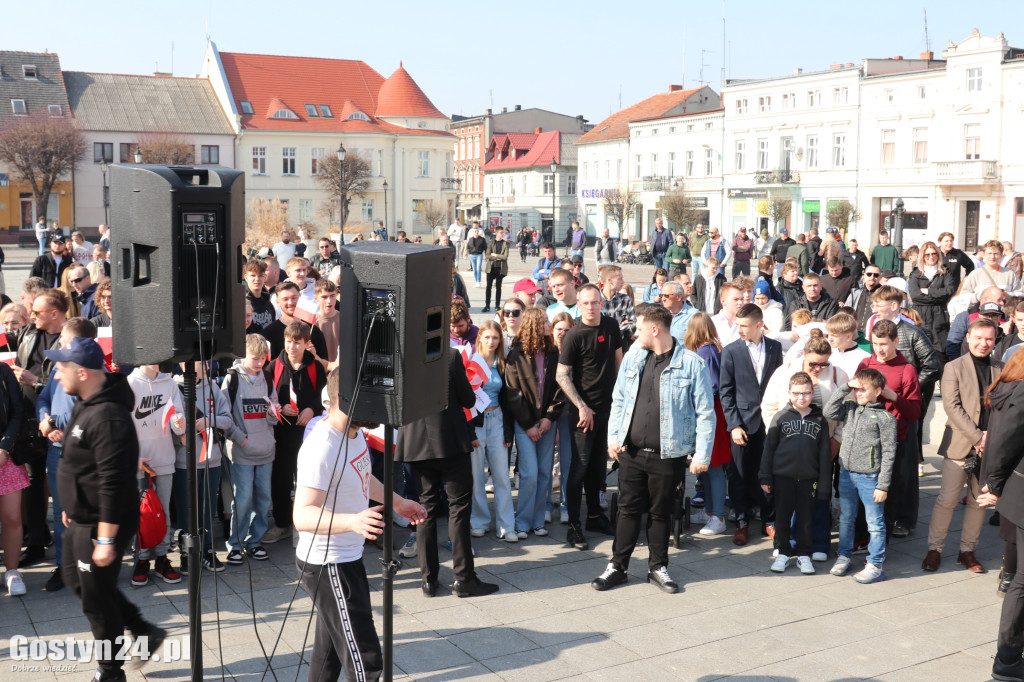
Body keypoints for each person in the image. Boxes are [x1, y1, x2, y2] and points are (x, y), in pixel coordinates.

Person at [294, 367, 426, 681]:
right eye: (371, 399)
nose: (378, 407)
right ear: (346, 399)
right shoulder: (321, 446)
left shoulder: (353, 434)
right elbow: (301, 515)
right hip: (329, 563)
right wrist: (351, 521)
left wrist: (399, 503)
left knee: (327, 656)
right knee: (366, 662)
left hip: (345, 558)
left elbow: (362, 474)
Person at [49, 337, 167, 679]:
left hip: (102, 522)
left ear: (82, 372)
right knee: (77, 581)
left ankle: (110, 671)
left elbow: (113, 482)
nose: (56, 375)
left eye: (61, 368)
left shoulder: (109, 416)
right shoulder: (86, 403)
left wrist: (105, 539)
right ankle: (141, 627)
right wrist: (71, 502)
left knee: (96, 601)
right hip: (81, 517)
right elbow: (80, 463)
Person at [593, 303, 714, 594]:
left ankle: (658, 567)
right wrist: (613, 438)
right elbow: (619, 399)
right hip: (631, 452)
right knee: (627, 510)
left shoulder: (692, 364)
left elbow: (705, 413)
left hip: (668, 455)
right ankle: (617, 566)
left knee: (661, 512)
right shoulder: (635, 356)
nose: (635, 333)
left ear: (654, 329)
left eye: (639, 327)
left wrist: (701, 455)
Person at [397, 349, 497, 597]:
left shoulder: (402, 353)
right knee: (458, 510)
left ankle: (428, 580)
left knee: (425, 510)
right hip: (450, 441)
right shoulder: (450, 356)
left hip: (416, 443)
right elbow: (468, 400)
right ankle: (463, 578)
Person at [922, 317, 1000, 574]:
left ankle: (967, 550)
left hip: (990, 447)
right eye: (978, 338)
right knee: (947, 499)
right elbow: (951, 407)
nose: (983, 343)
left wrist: (991, 437)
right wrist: (977, 437)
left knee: (979, 501)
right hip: (960, 446)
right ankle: (935, 549)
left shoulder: (1001, 369)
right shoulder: (953, 367)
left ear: (994, 340)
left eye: (989, 338)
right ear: (968, 338)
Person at [556, 284, 623, 550]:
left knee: (598, 468)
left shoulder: (611, 325)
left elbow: (619, 361)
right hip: (583, 412)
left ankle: (595, 516)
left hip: (608, 409)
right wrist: (582, 406)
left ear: (602, 303)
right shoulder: (574, 335)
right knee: (579, 468)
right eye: (586, 303)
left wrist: (621, 400)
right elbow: (562, 375)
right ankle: (574, 525)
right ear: (579, 305)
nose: (591, 307)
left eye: (595, 302)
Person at [35, 316, 95, 592]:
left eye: (64, 339)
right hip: (57, 453)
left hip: (83, 457)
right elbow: (44, 398)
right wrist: (45, 419)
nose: (59, 341)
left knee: (84, 512)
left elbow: (86, 415)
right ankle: (64, 565)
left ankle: (88, 566)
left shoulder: (90, 371)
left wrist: (53, 422)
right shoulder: (60, 368)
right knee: (61, 512)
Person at [824, 368, 897, 584]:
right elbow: (829, 412)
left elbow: (890, 453)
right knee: (846, 517)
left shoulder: (885, 419)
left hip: (870, 478)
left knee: (874, 521)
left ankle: (875, 563)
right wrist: (846, 387)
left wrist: (883, 485)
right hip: (846, 473)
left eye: (864, 389)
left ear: (878, 391)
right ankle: (844, 555)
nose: (859, 393)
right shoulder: (850, 408)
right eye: (857, 389)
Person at [720, 303, 783, 546]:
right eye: (738, 325)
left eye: (744, 326)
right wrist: (734, 425)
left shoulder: (775, 347)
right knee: (739, 474)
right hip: (742, 424)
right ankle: (742, 523)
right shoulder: (731, 350)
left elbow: (777, 383)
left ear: (759, 325)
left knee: (767, 472)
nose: (740, 330)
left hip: (768, 422)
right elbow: (726, 392)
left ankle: (769, 520)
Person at [759, 371, 831, 574]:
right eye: (797, 393)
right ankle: (782, 552)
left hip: (809, 480)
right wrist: (765, 476)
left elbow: (825, 457)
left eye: (806, 393)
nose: (802, 397)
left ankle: (804, 555)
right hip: (783, 479)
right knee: (782, 518)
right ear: (789, 393)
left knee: (806, 519)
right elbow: (769, 450)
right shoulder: (780, 418)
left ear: (812, 393)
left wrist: (824, 485)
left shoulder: (820, 421)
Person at [856, 319, 923, 538]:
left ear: (896, 341)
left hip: (897, 436)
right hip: (868, 437)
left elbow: (914, 412)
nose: (879, 349)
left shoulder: (907, 369)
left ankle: (900, 520)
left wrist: (893, 396)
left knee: (898, 482)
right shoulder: (865, 365)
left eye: (884, 344)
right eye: (875, 344)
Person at [263, 322, 328, 546]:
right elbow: (266, 397)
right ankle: (282, 524)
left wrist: (311, 409)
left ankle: (309, 525)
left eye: (297, 342)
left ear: (305, 343)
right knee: (281, 480)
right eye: (288, 341)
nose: (292, 346)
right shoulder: (274, 366)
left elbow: (323, 396)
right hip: (282, 433)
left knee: (308, 481)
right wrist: (280, 405)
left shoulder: (315, 366)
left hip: (307, 434)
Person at [504, 308, 563, 538]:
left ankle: (538, 521)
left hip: (547, 423)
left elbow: (559, 388)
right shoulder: (515, 354)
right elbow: (512, 394)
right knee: (528, 474)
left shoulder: (553, 352)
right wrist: (529, 424)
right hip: (525, 424)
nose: (549, 324)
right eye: (546, 321)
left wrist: (549, 418)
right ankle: (522, 521)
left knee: (544, 474)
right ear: (535, 325)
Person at [222, 334, 279, 565]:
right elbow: (225, 417)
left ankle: (255, 541)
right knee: (243, 499)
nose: (260, 363)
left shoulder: (267, 376)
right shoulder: (232, 378)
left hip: (266, 449)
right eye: (255, 358)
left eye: (263, 359)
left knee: (263, 499)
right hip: (242, 452)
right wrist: (240, 439)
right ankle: (236, 544)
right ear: (244, 355)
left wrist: (273, 413)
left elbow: (272, 414)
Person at [126, 363, 185, 585]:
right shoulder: (130, 384)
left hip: (164, 458)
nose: (153, 360)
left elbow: (177, 422)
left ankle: (162, 558)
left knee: (163, 513)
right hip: (139, 462)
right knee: (141, 514)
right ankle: (141, 559)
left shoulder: (169, 383)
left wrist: (179, 423)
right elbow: (122, 425)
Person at [684, 312, 731, 535]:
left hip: (712, 413)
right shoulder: (710, 349)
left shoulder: (705, 351)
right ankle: (712, 510)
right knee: (710, 465)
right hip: (713, 411)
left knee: (714, 466)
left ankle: (718, 515)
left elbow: (712, 386)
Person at [468, 322, 516, 540]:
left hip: (497, 420)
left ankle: (507, 525)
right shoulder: (471, 363)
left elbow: (509, 400)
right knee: (476, 476)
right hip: (477, 423)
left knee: (501, 477)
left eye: (495, 337)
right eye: (487, 337)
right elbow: (464, 401)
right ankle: (479, 521)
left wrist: (508, 432)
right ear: (480, 339)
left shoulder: (503, 364)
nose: (491, 341)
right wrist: (468, 432)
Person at [909, 241, 955, 353]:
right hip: (920, 314)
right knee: (920, 349)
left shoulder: (945, 272)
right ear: (922, 256)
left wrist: (928, 291)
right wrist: (938, 296)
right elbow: (915, 296)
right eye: (927, 254)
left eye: (934, 253)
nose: (931, 257)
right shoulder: (916, 274)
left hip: (939, 314)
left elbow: (949, 291)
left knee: (941, 350)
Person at [947, 286, 1008, 360]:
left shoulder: (1005, 337)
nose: (1002, 303)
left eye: (994, 315)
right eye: (999, 300)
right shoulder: (964, 317)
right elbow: (953, 344)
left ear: (999, 317)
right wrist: (959, 366)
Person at [599, 265, 637, 350]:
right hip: (600, 346)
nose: (623, 282)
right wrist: (621, 326)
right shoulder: (596, 300)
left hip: (621, 346)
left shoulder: (625, 299)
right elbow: (595, 329)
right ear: (609, 280)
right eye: (620, 279)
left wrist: (609, 330)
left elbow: (634, 325)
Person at [827, 312, 871, 378]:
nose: (830, 339)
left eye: (834, 336)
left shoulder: (864, 358)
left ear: (848, 336)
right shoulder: (828, 354)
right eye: (829, 335)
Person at [482, 227, 509, 313]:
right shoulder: (491, 243)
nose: (502, 234)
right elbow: (487, 255)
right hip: (491, 268)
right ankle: (487, 305)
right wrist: (495, 257)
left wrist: (496, 255)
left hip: (500, 268)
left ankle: (497, 305)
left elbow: (505, 257)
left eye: (503, 233)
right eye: (501, 232)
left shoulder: (505, 244)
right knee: (488, 287)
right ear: (496, 233)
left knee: (498, 287)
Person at [465, 224, 488, 288]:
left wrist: (486, 256)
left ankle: (478, 281)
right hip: (472, 255)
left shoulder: (482, 239)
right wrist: (469, 252)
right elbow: (468, 247)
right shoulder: (470, 239)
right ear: (473, 233)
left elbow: (485, 247)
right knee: (474, 269)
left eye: (477, 231)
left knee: (478, 268)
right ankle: (476, 281)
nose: (476, 233)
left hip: (479, 255)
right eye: (475, 231)